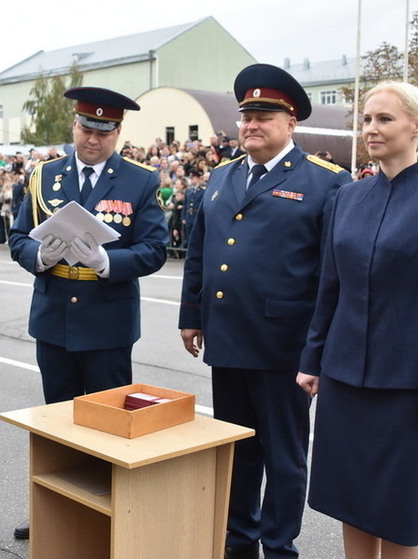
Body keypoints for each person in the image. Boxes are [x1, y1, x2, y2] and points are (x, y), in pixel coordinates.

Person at [178, 63, 351, 559]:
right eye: (246, 115)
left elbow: (329, 274)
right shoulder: (220, 177)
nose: (252, 124)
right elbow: (200, 251)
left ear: (291, 122)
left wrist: (317, 350)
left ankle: (279, 547)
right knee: (237, 449)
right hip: (228, 338)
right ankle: (239, 542)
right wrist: (191, 315)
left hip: (285, 347)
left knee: (284, 456)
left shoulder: (325, 183)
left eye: (265, 116)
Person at [9, 86, 168, 539]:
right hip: (54, 315)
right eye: (85, 128)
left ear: (117, 132)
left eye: (103, 131)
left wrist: (107, 263)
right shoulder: (45, 176)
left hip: (107, 320)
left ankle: (108, 508)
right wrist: (39, 257)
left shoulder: (140, 181)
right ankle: (54, 506)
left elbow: (155, 249)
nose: (92, 139)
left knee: (109, 419)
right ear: (74, 126)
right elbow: (18, 237)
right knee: (57, 416)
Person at [297, 82, 418, 559]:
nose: (371, 129)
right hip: (345, 377)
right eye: (366, 119)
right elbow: (330, 286)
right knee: (351, 501)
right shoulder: (350, 197)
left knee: (400, 510)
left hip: (406, 384)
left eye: (384, 119)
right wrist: (313, 359)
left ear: (415, 125)